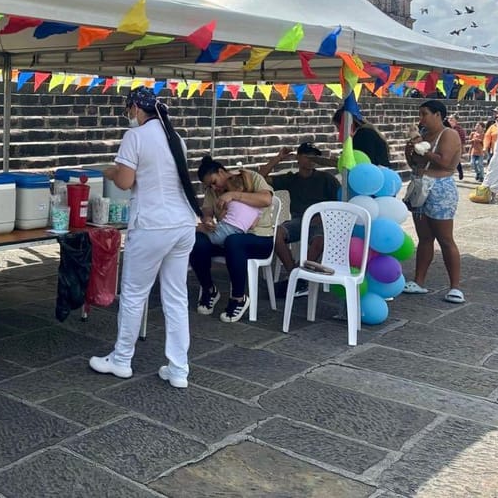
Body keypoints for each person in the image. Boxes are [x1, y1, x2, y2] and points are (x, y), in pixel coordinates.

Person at [89, 87, 203, 388]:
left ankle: (121, 359)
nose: (130, 116)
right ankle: (179, 369)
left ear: (137, 109)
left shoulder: (135, 137)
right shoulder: (175, 138)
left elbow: (126, 182)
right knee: (176, 297)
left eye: (129, 111)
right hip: (182, 224)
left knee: (134, 293)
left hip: (152, 224)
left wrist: (112, 172)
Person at [189, 157, 274, 323]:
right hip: (225, 236)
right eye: (210, 186)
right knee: (196, 240)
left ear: (221, 172)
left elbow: (266, 199)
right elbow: (206, 210)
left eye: (214, 182)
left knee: (234, 241)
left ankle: (238, 298)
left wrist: (233, 195)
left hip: (259, 238)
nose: (214, 187)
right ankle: (209, 289)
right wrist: (207, 220)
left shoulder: (251, 177)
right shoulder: (213, 192)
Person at [258, 142, 341, 296]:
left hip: (320, 221)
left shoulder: (326, 179)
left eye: (314, 156)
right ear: (298, 158)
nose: (310, 159)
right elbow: (260, 178)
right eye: (307, 155)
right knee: (276, 235)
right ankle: (296, 277)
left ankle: (298, 279)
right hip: (299, 220)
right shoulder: (291, 178)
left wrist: (323, 218)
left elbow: (340, 203)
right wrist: (278, 158)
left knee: (319, 242)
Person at [402, 100, 464, 303]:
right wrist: (410, 150)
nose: (421, 119)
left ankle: (455, 286)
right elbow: (415, 163)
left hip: (440, 187)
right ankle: (419, 281)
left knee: (445, 238)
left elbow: (444, 161)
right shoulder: (425, 135)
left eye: (424, 114)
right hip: (420, 185)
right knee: (425, 237)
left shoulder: (449, 134)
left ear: (438, 115)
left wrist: (423, 149)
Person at [447, 115, 466, 180]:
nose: (450, 119)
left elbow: (462, 139)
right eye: (449, 118)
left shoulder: (459, 129)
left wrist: (462, 148)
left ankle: (459, 173)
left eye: (452, 118)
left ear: (456, 120)